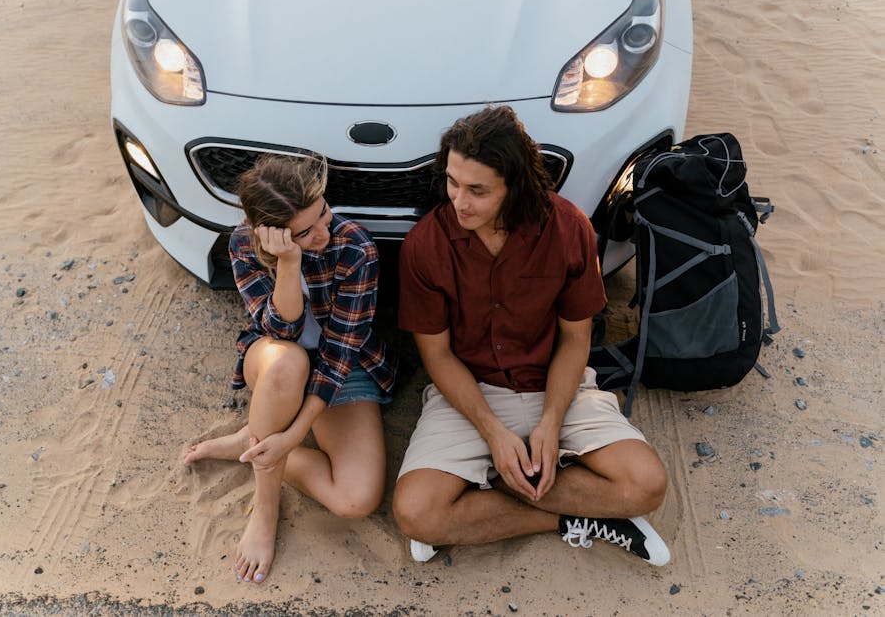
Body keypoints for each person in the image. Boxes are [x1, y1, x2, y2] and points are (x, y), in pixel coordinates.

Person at [392, 106, 670, 566]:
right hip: (471, 391)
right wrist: (494, 434)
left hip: (555, 384)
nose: (459, 201)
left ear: (515, 185)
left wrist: (551, 422)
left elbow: (575, 341)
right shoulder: (426, 244)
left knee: (646, 485)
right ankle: (576, 516)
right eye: (453, 182)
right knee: (416, 513)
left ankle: (492, 496)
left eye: (477, 190)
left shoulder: (568, 228)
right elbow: (438, 356)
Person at [183, 154, 398, 584]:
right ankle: (265, 510)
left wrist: (294, 434)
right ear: (271, 233)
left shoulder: (354, 246)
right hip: (276, 359)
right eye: (305, 231)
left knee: (356, 498)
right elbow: (282, 329)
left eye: (323, 212)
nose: (324, 231)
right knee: (289, 361)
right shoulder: (244, 244)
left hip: (345, 364)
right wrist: (289, 263)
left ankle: (254, 441)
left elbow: (338, 355)